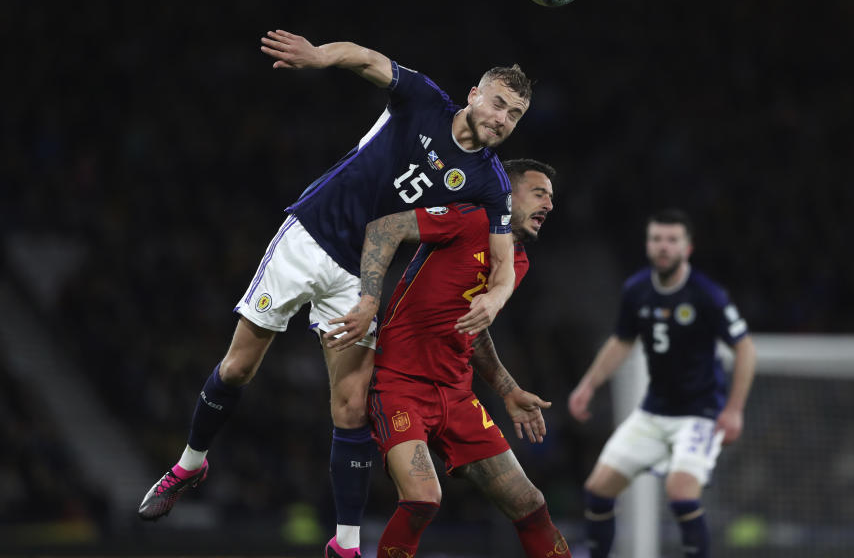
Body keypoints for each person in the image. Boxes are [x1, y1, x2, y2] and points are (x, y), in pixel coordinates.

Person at [138, 30, 533, 558]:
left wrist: (497, 298)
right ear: (474, 95)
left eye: (515, 115)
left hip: (360, 274)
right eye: (499, 104)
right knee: (238, 369)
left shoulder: (491, 184)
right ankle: (190, 463)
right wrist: (319, 56)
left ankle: (345, 546)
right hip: (309, 234)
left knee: (350, 406)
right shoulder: (422, 100)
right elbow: (367, 57)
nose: (503, 119)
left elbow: (503, 266)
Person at [347, 159, 570, 557]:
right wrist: (368, 301)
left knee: (530, 504)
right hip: (400, 386)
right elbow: (386, 226)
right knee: (422, 498)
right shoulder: (470, 220)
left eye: (552, 198)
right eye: (539, 193)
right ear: (508, 194)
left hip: (457, 396)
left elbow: (472, 326)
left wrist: (507, 388)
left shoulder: (517, 262)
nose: (549, 205)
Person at [568, 209, 756, 558]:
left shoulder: (706, 294)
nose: (663, 247)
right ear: (647, 244)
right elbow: (622, 340)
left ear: (688, 247)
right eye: (657, 239)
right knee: (597, 490)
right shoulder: (637, 289)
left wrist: (734, 410)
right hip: (653, 412)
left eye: (672, 240)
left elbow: (745, 349)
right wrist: (588, 385)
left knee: (681, 494)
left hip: (699, 414)